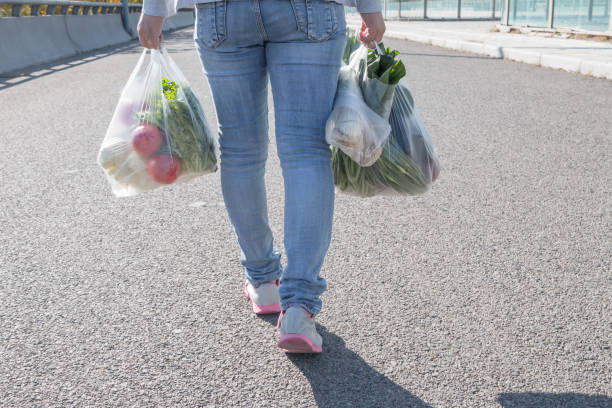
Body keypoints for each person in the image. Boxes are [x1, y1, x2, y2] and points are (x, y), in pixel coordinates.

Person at [138, 0, 385, 353]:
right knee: (305, 149)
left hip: (223, 12)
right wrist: (370, 7)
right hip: (309, 11)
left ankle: (264, 280)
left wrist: (154, 9)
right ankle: (298, 308)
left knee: (239, 150)